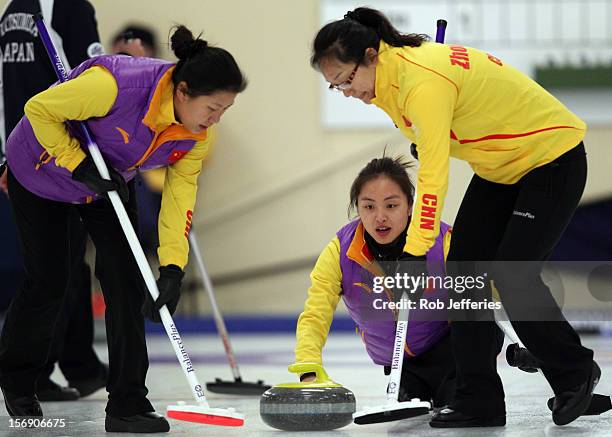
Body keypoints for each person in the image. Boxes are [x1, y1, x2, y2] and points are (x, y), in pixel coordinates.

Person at [310, 6, 597, 428]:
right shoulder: (391, 81)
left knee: (511, 273)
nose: (348, 91)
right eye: (336, 87)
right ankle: (477, 397)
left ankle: (575, 373)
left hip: (550, 157)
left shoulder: (419, 81)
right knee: (465, 272)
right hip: (501, 167)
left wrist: (415, 248)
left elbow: (433, 178)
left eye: (347, 79)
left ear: (371, 55)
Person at [0, 24, 247, 433]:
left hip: (106, 182)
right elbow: (39, 110)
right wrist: (75, 163)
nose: (215, 120)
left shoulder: (194, 135)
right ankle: (19, 379)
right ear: (182, 91)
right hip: (40, 171)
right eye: (212, 108)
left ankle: (128, 403)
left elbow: (179, 198)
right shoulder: (114, 85)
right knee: (51, 280)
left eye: (224, 111)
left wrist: (171, 268)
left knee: (127, 280)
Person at [294, 156, 481, 408]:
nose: (380, 217)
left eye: (391, 206)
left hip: (452, 353)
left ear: (410, 206)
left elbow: (482, 302)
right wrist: (309, 368)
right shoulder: (341, 252)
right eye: (369, 207)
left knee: (456, 404)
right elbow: (316, 312)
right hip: (400, 366)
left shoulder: (442, 243)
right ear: (357, 208)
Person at [0, 0, 108, 402]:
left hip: (26, 152)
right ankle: (32, 373)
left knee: (68, 263)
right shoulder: (70, 7)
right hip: (62, 155)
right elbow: (91, 84)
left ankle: (80, 364)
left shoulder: (13, 10)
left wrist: (6, 155)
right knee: (52, 270)